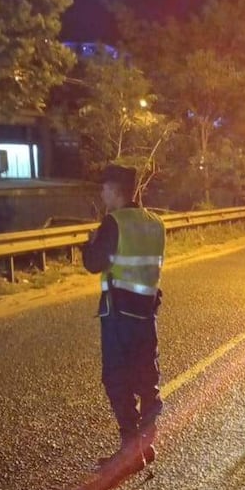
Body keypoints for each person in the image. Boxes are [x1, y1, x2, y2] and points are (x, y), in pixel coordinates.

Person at [82, 164, 166, 472]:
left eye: (103, 189)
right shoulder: (156, 222)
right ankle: (146, 443)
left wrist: (89, 244)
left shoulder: (113, 222)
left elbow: (94, 263)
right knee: (147, 378)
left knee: (117, 378)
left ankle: (130, 448)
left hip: (119, 314)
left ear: (115, 190)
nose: (101, 193)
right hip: (146, 312)